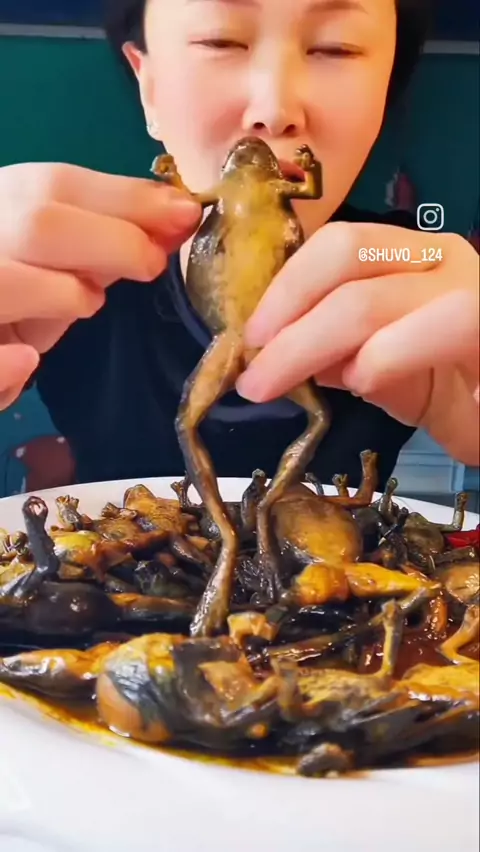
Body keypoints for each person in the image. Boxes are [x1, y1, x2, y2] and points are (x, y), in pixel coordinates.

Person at [0, 0, 478, 491]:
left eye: (335, 48)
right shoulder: (68, 275)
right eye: (221, 40)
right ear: (150, 87)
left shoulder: (410, 262)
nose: (275, 111)